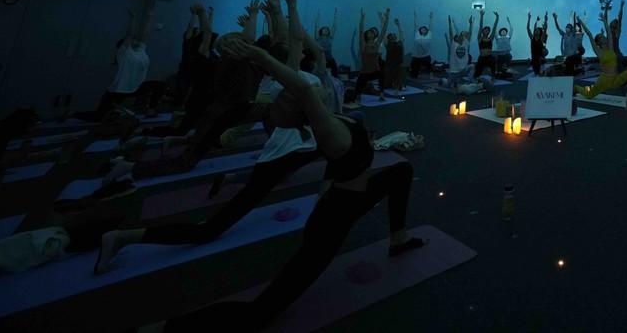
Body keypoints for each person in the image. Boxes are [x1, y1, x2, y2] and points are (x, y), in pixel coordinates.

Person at [152, 33, 424, 331]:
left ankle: (398, 238)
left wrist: (283, 19)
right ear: (306, 105)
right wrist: (260, 56)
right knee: (261, 312)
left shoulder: (336, 119)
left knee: (402, 170)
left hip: (348, 199)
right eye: (301, 94)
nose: (311, 86)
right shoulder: (328, 130)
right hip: (332, 221)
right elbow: (302, 88)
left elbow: (306, 66)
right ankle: (161, 328)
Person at [95, 0, 330, 273]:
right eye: (239, 42)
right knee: (188, 163)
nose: (245, 42)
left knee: (264, 149)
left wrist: (272, 13)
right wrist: (282, 8)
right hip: (226, 116)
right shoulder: (258, 69)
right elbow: (289, 41)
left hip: (250, 116)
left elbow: (284, 41)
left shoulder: (261, 68)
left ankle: (160, 163)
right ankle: (130, 173)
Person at [74, 5, 164, 122]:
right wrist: (133, 19)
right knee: (98, 117)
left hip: (136, 87)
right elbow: (130, 34)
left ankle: (151, 110)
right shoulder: (124, 52)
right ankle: (72, 114)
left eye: (136, 40)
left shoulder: (141, 50)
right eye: (133, 40)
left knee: (159, 86)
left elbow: (145, 34)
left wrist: (150, 17)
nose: (136, 40)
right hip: (119, 90)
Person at [574, 1, 627, 99]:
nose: (603, 37)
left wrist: (604, 20)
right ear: (598, 42)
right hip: (604, 81)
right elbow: (589, 35)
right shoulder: (598, 51)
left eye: (603, 36)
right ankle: (577, 88)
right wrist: (580, 21)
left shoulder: (610, 47)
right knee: (589, 96)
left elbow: (608, 31)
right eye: (601, 37)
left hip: (615, 79)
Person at [348, 8, 389, 102]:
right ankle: (358, 95)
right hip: (365, 72)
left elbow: (383, 31)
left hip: (375, 70)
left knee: (382, 76)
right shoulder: (363, 45)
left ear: (374, 35)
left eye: (372, 32)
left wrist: (387, 18)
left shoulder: (376, 44)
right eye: (369, 32)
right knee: (358, 88)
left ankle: (381, 94)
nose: (371, 33)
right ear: (366, 35)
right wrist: (362, 18)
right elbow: (361, 31)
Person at [444, 14, 473, 88]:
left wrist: (470, 23)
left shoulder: (466, 43)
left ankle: (469, 81)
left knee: (472, 66)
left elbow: (470, 33)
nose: (461, 36)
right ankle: (443, 80)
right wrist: (450, 23)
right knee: (447, 85)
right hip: (454, 71)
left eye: (462, 35)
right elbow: (451, 33)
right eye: (458, 36)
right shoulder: (453, 44)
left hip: (463, 70)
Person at [473, 9, 500, 79]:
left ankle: (493, 75)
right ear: (483, 31)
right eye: (485, 30)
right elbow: (480, 26)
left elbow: (494, 27)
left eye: (488, 30)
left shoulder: (490, 38)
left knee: (493, 67)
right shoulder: (480, 38)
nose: (487, 31)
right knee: (477, 74)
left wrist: (497, 18)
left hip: (489, 57)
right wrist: (481, 16)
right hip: (482, 58)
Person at [381, 18, 406, 93]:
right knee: (387, 82)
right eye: (391, 35)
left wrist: (398, 25)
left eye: (394, 35)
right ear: (389, 38)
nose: (393, 35)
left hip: (398, 64)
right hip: (390, 64)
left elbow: (401, 33)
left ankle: (398, 84)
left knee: (399, 76)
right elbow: (384, 33)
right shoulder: (387, 43)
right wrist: (383, 21)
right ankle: (391, 83)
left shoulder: (399, 43)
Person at [409, 12, 435, 79]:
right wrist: (415, 16)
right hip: (416, 56)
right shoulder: (417, 35)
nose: (423, 30)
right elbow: (416, 25)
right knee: (413, 70)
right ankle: (415, 74)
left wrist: (431, 18)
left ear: (427, 31)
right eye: (422, 29)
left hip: (425, 55)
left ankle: (431, 73)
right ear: (420, 30)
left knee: (428, 65)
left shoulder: (429, 35)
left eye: (425, 29)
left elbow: (431, 26)